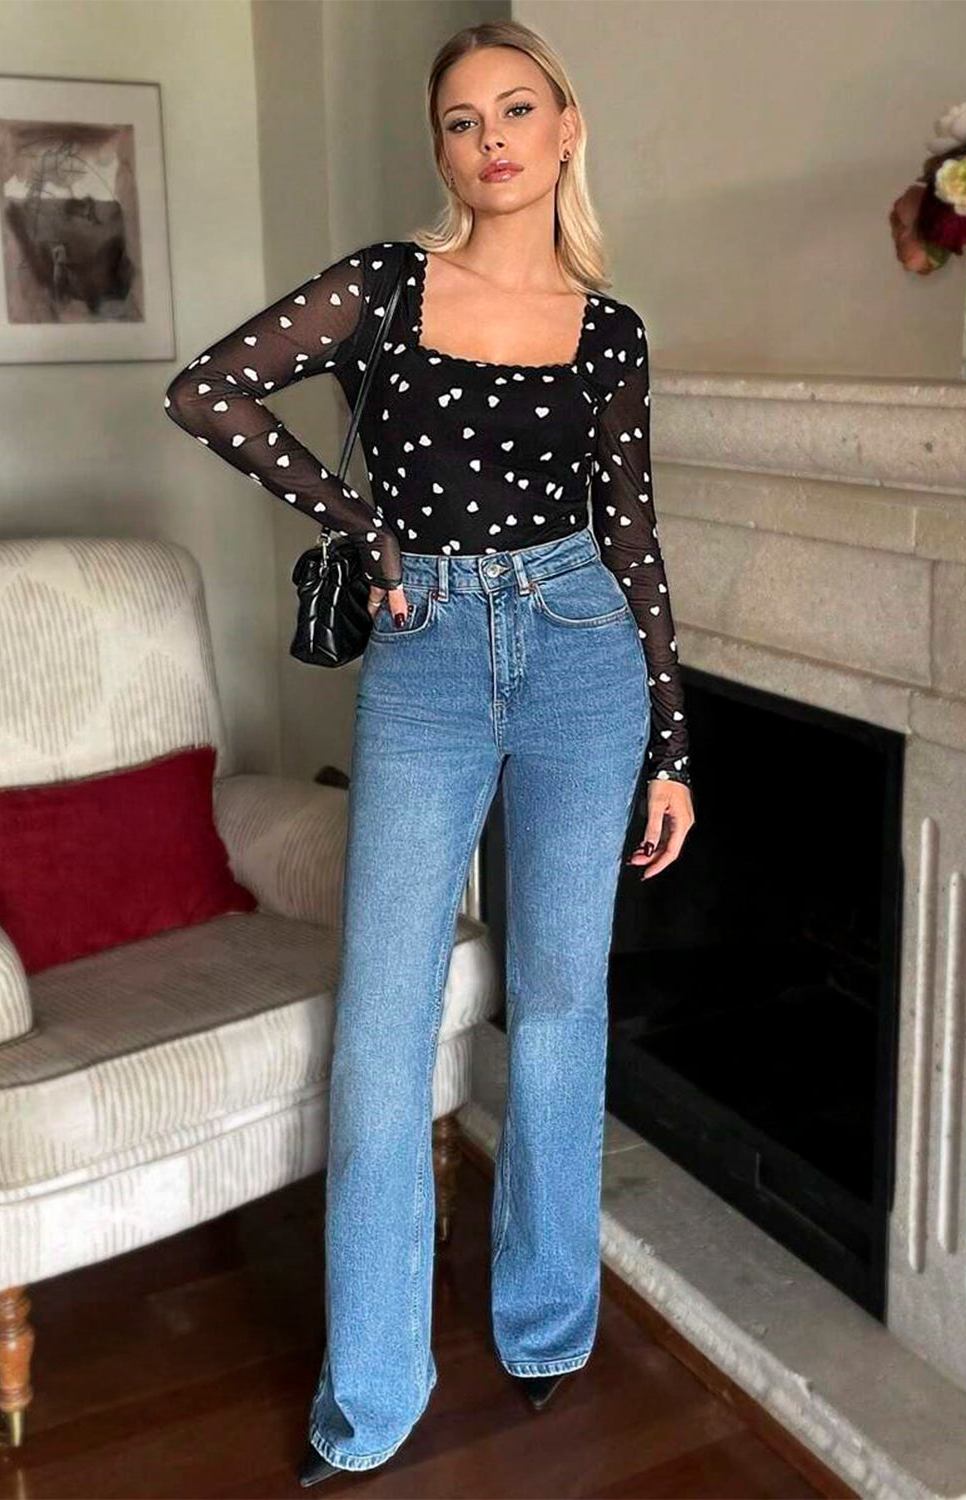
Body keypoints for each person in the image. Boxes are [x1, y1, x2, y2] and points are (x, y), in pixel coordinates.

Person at [164, 16, 694, 1485]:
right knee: (386, 1025)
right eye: (462, 121)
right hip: (430, 656)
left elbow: (634, 537)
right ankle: (372, 1399)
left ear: (566, 129)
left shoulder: (612, 333)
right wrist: (361, 522)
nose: (491, 140)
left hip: (583, 645)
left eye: (517, 110)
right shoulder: (384, 287)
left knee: (563, 1005)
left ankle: (546, 1326)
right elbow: (205, 389)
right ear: (442, 151)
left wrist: (672, 741)